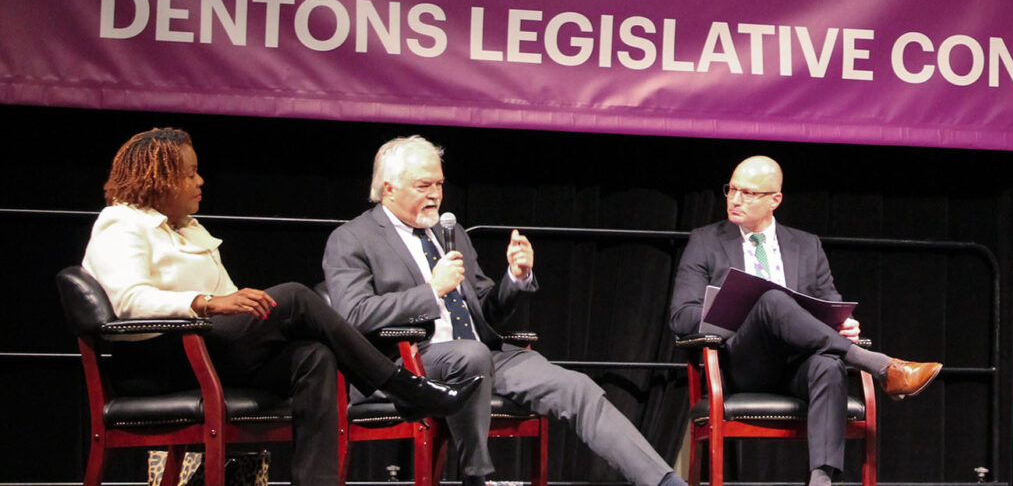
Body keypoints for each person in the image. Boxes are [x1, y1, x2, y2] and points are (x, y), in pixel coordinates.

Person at [80, 128, 480, 486]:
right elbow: (128, 302)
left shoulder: (190, 229)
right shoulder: (121, 223)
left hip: (208, 352)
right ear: (159, 179)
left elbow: (235, 306)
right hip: (158, 362)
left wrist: (240, 309)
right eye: (188, 173)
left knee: (313, 355)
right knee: (293, 296)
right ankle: (402, 387)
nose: (199, 180)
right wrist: (207, 303)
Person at [323, 136, 687, 486]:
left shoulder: (450, 233)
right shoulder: (352, 239)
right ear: (389, 189)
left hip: (485, 356)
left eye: (439, 184)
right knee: (471, 354)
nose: (435, 195)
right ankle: (476, 476)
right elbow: (353, 314)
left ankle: (664, 479)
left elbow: (485, 312)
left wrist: (514, 278)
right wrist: (431, 291)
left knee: (576, 387)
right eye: (423, 186)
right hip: (409, 362)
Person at [668, 155, 944, 486]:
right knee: (770, 299)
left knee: (828, 365)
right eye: (732, 189)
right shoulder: (706, 241)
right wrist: (738, 310)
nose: (735, 199)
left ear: (775, 200)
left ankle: (821, 479)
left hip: (798, 365)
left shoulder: (806, 245)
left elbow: (831, 304)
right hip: (741, 364)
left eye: (749, 193)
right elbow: (681, 316)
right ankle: (880, 365)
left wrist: (844, 324)